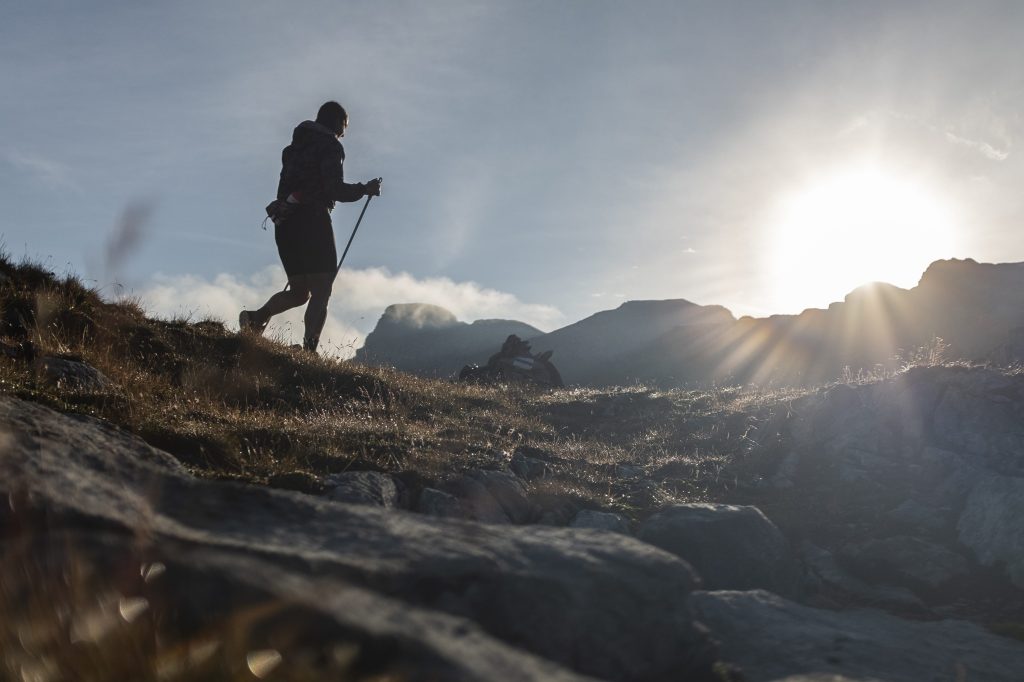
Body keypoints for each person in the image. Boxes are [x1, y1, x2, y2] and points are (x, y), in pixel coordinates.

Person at [239, 101, 382, 352]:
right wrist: (364, 189)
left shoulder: (292, 149)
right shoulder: (330, 146)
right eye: (344, 126)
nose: (344, 133)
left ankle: (255, 318)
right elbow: (333, 188)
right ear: (337, 122)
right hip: (313, 220)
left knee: (299, 292)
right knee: (321, 289)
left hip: (284, 222)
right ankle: (309, 350)